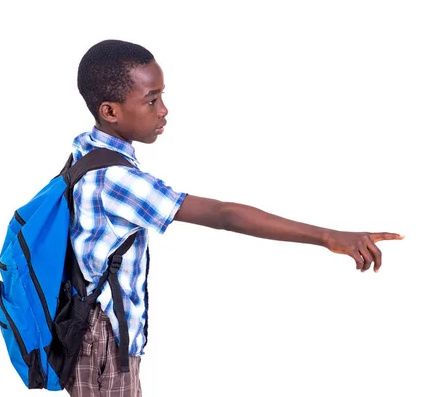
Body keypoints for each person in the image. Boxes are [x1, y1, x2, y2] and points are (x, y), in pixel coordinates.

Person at [64, 39, 403, 397]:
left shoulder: (88, 148)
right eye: (151, 100)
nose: (163, 110)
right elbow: (222, 214)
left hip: (96, 332)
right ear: (110, 112)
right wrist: (329, 237)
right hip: (103, 343)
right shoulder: (116, 180)